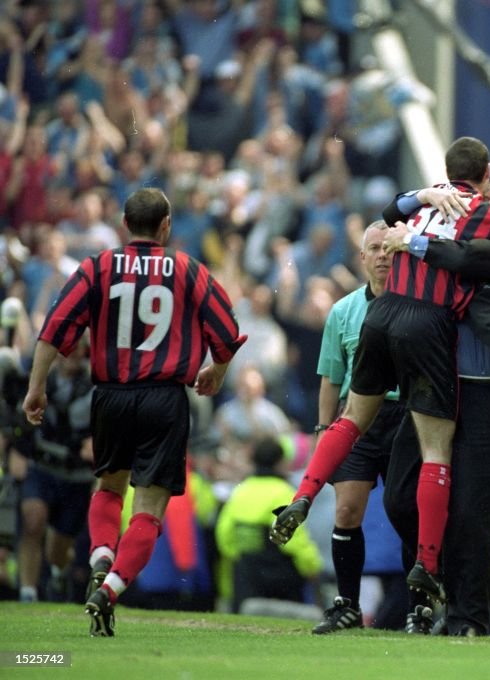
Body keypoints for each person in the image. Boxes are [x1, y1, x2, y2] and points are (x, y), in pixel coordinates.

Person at [270, 138, 490, 605]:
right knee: (437, 450)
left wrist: (422, 197)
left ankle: (303, 496)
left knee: (351, 417)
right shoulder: (487, 214)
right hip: (426, 324)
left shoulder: (421, 205)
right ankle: (428, 564)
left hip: (382, 313)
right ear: (487, 172)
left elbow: (390, 212)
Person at [22, 187, 247, 637]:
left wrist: (36, 387)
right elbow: (226, 330)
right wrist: (217, 370)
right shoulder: (186, 268)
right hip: (164, 399)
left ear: (125, 225)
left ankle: (101, 555)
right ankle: (110, 589)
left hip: (109, 396)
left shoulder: (98, 266)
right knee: (149, 510)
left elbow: (54, 327)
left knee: (108, 488)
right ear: (166, 226)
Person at [380, 174, 490, 635]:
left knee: (473, 510)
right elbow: (393, 210)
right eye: (484, 199)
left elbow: (461, 256)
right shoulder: (455, 226)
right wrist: (417, 201)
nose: (481, 206)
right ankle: (428, 591)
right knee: (400, 497)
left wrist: (410, 239)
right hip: (433, 378)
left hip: (483, 386)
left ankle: (468, 618)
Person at [309, 220, 404, 634]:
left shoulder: (417, 306)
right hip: (355, 421)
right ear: (362, 257)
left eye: (391, 249)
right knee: (347, 511)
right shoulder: (343, 311)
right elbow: (331, 377)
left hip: (407, 418)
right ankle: (347, 604)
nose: (384, 255)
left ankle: (420, 608)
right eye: (376, 248)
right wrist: (322, 431)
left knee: (408, 513)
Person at [9, 341, 94, 602]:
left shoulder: (95, 386)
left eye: (80, 348)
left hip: (76, 476)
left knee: (59, 547)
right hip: (43, 466)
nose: (74, 354)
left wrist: (99, 442)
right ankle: (28, 592)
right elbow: (20, 418)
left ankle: (59, 570)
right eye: (69, 347)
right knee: (33, 520)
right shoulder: (41, 379)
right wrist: (18, 450)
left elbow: (111, 423)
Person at [215, 437, 322, 613]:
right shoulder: (283, 492)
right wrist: (312, 566)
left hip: (247, 577)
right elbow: (295, 541)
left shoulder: (240, 491)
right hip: (283, 581)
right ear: (280, 463)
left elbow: (224, 536)